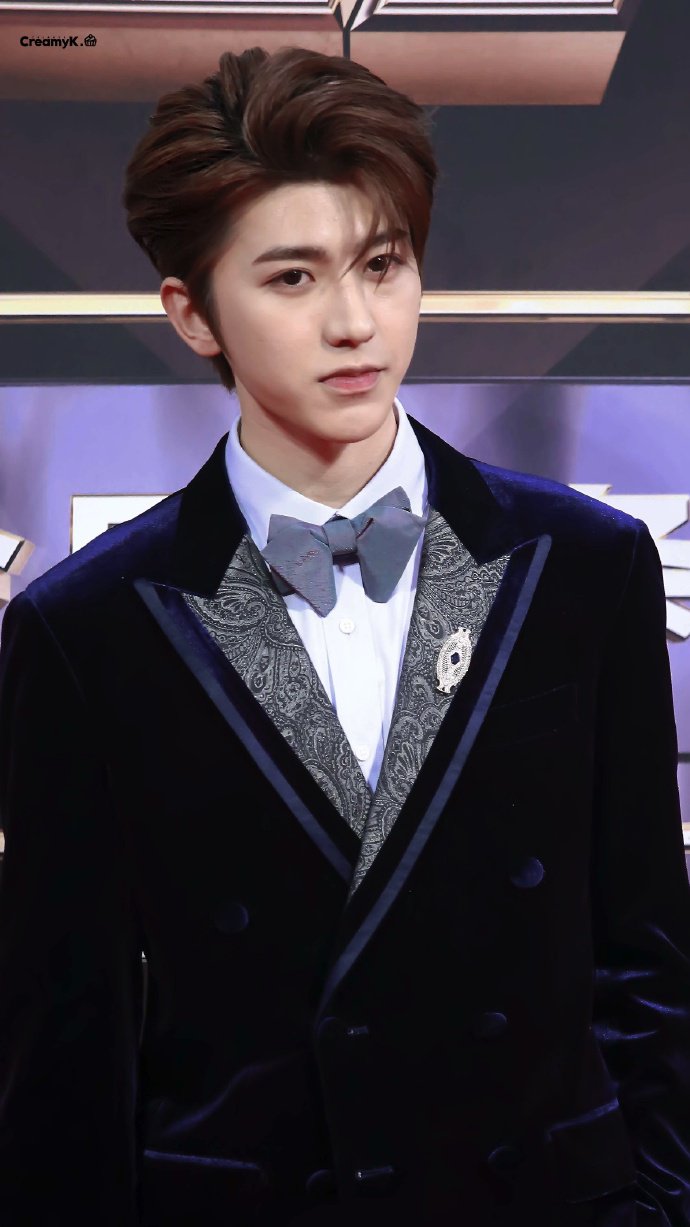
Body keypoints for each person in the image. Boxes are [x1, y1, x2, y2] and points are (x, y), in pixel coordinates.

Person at [0, 43, 689, 1227]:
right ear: (193, 315)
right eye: (293, 278)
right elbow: (66, 1037)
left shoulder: (582, 564)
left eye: (383, 263)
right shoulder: (87, 628)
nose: (355, 322)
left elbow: (650, 960)